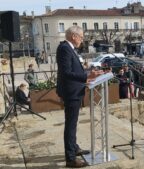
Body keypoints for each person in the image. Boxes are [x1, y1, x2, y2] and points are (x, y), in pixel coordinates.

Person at [56, 25, 102, 168]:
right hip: (71, 93)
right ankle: (70, 158)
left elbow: (73, 69)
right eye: (81, 37)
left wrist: (87, 75)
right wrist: (87, 75)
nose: (82, 40)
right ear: (74, 36)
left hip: (74, 90)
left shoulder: (69, 48)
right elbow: (66, 73)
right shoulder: (65, 49)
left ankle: (74, 148)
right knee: (70, 125)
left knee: (73, 123)